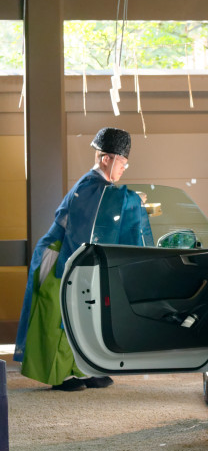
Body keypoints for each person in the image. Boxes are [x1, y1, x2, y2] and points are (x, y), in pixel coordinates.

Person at [14, 127, 152, 391]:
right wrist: (133, 200)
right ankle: (59, 374)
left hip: (73, 253)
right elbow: (93, 218)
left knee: (80, 312)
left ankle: (81, 369)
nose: (124, 168)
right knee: (58, 314)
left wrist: (131, 200)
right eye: (122, 162)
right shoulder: (90, 185)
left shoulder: (100, 187)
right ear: (106, 159)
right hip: (59, 254)